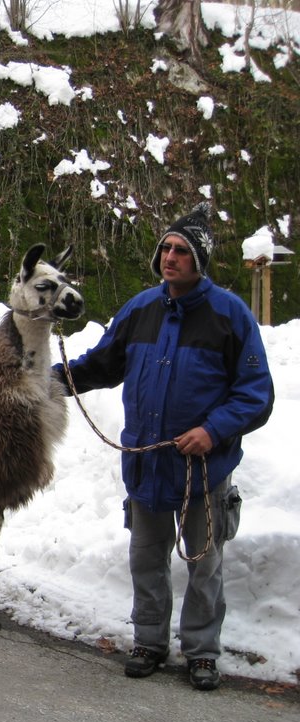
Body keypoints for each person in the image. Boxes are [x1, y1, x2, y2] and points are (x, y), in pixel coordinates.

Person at [58, 203, 274, 691]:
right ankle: (150, 643)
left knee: (203, 564)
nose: (170, 257)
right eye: (166, 249)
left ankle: (200, 652)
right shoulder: (140, 309)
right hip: (147, 466)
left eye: (181, 250)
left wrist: (213, 430)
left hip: (203, 469)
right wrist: (45, 382)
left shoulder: (230, 316)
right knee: (146, 559)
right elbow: (99, 366)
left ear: (201, 261)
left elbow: (255, 394)